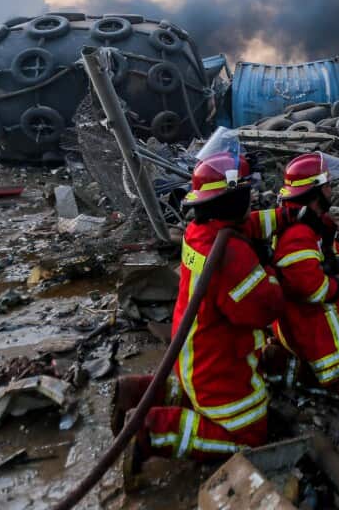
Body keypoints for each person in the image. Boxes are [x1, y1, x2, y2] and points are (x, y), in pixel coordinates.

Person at [110, 138, 284, 486]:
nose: (252, 201)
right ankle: (148, 433)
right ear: (236, 199)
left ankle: (141, 392)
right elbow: (265, 309)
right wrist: (275, 272)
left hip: (193, 351)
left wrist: (287, 215)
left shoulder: (200, 231)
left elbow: (245, 225)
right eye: (248, 194)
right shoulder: (232, 257)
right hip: (219, 365)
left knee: (198, 395)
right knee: (249, 435)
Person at [269, 153, 339, 399]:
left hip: (311, 318)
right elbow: (311, 288)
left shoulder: (314, 223)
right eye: (327, 185)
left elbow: (323, 255)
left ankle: (295, 365)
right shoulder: (297, 234)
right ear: (315, 193)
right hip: (308, 320)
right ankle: (309, 383)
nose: (331, 190)